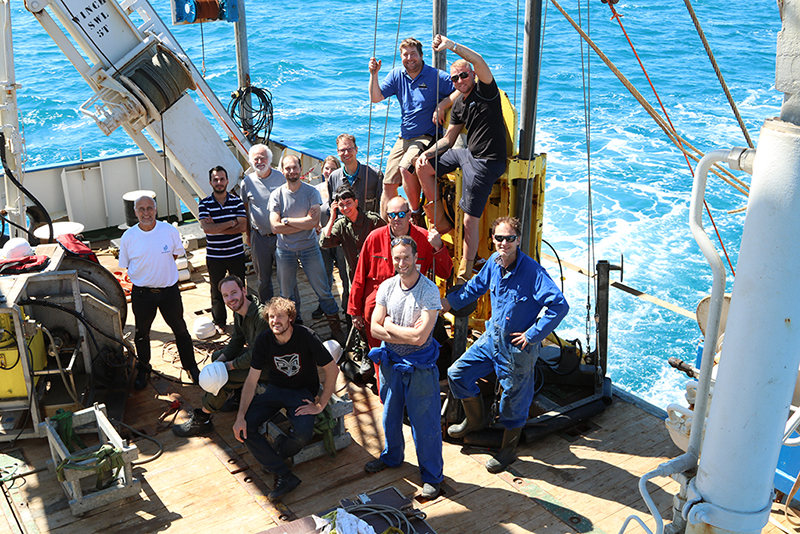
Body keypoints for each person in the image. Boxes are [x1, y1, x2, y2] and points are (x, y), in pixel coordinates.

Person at [442, 217, 569, 473]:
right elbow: (475, 288)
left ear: (518, 240)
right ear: (492, 239)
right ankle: (475, 421)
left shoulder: (533, 273)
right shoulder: (494, 262)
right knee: (457, 373)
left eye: (509, 238)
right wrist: (447, 303)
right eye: (499, 238)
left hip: (516, 348)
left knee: (513, 401)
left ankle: (508, 450)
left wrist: (532, 335)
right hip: (492, 339)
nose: (504, 243)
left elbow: (559, 305)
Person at [415, 35, 508, 283]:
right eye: (455, 78)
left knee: (469, 219)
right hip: (467, 153)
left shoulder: (486, 91)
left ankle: (465, 271)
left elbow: (478, 60)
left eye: (464, 75)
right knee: (422, 168)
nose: (460, 81)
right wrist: (426, 154)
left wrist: (451, 46)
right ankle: (440, 219)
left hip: (488, 160)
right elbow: (448, 139)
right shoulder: (458, 105)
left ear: (473, 76)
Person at [232, 297, 339, 503]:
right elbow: (252, 380)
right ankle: (284, 475)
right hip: (276, 389)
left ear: (290, 317)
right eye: (271, 317)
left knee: (302, 434)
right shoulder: (264, 340)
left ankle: (279, 451)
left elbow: (332, 369)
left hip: (301, 392)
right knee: (245, 428)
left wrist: (320, 405)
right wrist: (240, 416)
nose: (275, 321)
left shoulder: (306, 336)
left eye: (280, 316)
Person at [364, 236, 443, 499]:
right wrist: (403, 333)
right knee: (389, 416)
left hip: (419, 368)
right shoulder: (386, 287)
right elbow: (374, 327)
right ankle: (392, 457)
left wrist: (390, 327)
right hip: (391, 365)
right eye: (396, 257)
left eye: (406, 257)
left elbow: (420, 338)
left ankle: (432, 476)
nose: (401, 262)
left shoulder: (429, 291)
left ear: (416, 257)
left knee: (425, 424)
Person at [348, 195, 452, 349]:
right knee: (379, 354)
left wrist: (438, 248)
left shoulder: (423, 238)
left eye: (401, 214)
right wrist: (355, 311)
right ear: (387, 216)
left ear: (409, 214)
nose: (397, 218)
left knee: (411, 354)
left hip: (410, 313)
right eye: (392, 215)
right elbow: (359, 275)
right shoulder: (374, 238)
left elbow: (445, 273)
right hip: (377, 309)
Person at [369, 37, 455, 221]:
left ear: (421, 55)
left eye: (413, 54)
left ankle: (415, 214)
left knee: (405, 169)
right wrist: (374, 74)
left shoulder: (435, 76)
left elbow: (460, 88)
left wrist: (443, 105)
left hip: (426, 136)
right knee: (388, 183)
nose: (410, 58)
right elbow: (376, 98)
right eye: (405, 54)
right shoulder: (397, 75)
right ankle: (387, 226)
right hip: (404, 136)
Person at [172, 275, 270, 437]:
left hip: (270, 366)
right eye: (226, 295)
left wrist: (226, 367)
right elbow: (237, 341)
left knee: (224, 377)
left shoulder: (261, 317)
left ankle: (202, 419)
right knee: (217, 356)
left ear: (243, 290)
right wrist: (219, 361)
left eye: (233, 293)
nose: (230, 299)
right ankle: (238, 396)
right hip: (257, 359)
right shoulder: (240, 311)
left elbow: (257, 355)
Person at [119, 195, 198, 389]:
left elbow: (175, 253)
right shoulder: (128, 237)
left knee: (180, 329)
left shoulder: (169, 231)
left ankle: (191, 367)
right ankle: (144, 370)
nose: (146, 213)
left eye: (149, 208)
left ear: (156, 209)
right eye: (141, 209)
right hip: (142, 295)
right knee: (141, 334)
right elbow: (126, 265)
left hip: (169, 292)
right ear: (135, 212)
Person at [269, 155, 345, 341]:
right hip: (285, 250)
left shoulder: (311, 192)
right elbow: (274, 227)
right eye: (288, 168)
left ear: (301, 169)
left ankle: (336, 330)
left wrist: (286, 220)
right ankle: (290, 331)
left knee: (324, 291)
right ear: (282, 171)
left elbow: (314, 222)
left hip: (309, 248)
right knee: (285, 295)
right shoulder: (276, 195)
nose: (292, 171)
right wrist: (303, 222)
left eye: (295, 167)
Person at [199, 166, 247, 334]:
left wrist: (217, 226)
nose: (219, 182)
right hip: (215, 256)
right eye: (216, 179)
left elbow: (243, 226)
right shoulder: (204, 203)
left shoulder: (237, 202)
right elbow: (207, 229)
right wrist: (231, 222)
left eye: (222, 179)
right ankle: (220, 322)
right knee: (217, 290)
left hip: (236, 255)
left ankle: (242, 320)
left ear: (227, 181)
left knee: (239, 289)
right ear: (210, 182)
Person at [241, 144, 288, 305]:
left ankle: (291, 310)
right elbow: (246, 211)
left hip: (281, 236)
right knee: (263, 279)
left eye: (263, 157)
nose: (260, 161)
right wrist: (248, 235)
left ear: (270, 159)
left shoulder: (281, 178)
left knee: (286, 276)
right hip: (258, 237)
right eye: (256, 159)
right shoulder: (246, 182)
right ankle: (267, 310)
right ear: (251, 162)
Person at [319, 184, 386, 289]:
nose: (345, 208)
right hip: (355, 276)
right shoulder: (341, 225)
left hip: (375, 275)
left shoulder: (373, 221)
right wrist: (332, 217)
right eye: (341, 205)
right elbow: (324, 242)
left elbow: (388, 240)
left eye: (348, 203)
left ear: (356, 202)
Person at [313, 156, 341, 320]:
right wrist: (315, 224)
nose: (329, 172)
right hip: (322, 238)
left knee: (344, 273)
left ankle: (347, 306)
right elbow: (311, 211)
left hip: (340, 239)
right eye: (327, 168)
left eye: (333, 168)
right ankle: (323, 303)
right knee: (325, 272)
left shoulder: (342, 189)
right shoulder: (316, 189)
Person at [327, 134, 381, 215]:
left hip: (369, 226)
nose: (346, 153)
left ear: (356, 150)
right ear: (338, 152)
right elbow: (332, 208)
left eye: (349, 149)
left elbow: (385, 205)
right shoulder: (333, 177)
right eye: (342, 150)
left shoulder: (375, 175)